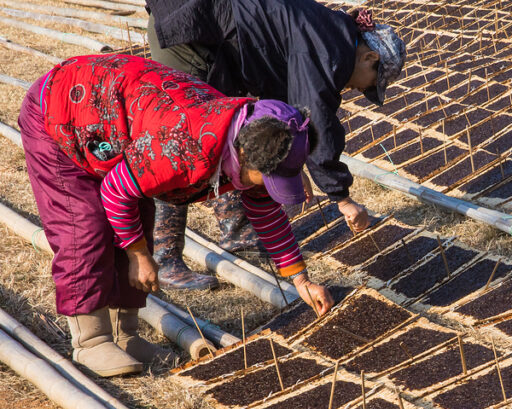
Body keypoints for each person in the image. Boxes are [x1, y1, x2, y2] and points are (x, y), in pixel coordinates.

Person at [18, 54, 335, 378]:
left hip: (113, 126)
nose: (268, 187)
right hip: (60, 116)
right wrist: (139, 255)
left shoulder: (251, 137)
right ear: (246, 157)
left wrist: (301, 280)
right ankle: (91, 340)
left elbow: (266, 210)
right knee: (85, 227)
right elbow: (115, 191)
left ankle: (126, 335)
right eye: (268, 178)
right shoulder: (182, 142)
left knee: (139, 214)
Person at [144, 0, 406, 289]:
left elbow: (283, 108)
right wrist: (342, 198)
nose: (357, 89)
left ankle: (238, 235)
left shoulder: (327, 37)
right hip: (190, 34)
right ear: (370, 57)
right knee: (190, 144)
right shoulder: (329, 49)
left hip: (209, 33)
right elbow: (317, 116)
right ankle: (165, 259)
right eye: (370, 83)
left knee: (230, 134)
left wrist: (297, 162)